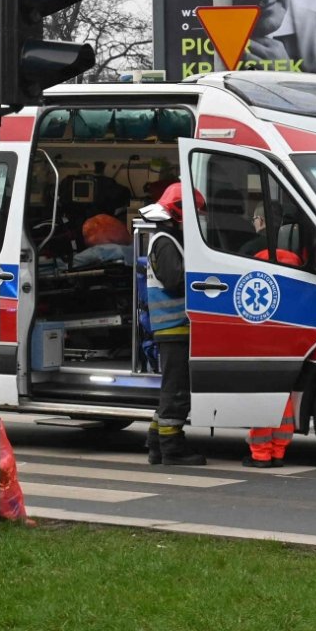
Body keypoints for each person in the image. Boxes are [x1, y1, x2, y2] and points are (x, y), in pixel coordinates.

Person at [138, 184, 206, 467]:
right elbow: (174, 280)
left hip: (176, 327)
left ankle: (156, 444)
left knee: (172, 388)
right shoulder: (164, 240)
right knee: (176, 391)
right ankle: (172, 448)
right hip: (173, 327)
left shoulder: (168, 238)